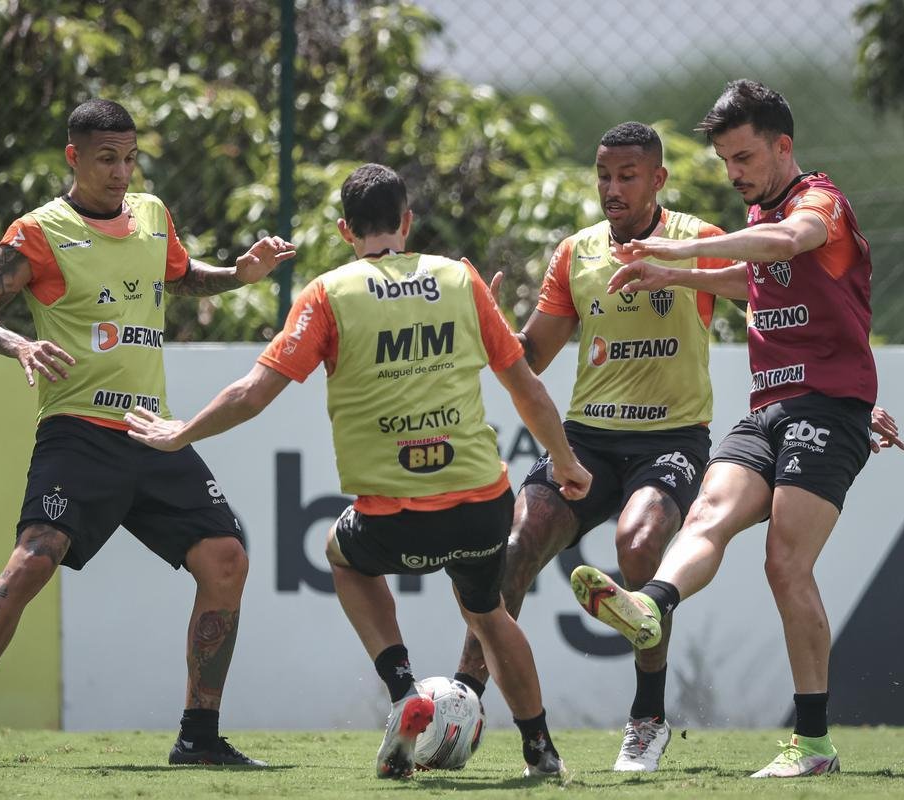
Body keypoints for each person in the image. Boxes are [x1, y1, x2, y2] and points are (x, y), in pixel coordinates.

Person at [125, 163, 592, 780]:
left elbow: (253, 393)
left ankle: (404, 691)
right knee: (487, 614)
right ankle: (541, 751)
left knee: (342, 554)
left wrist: (181, 431)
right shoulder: (459, 278)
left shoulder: (328, 294)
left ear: (347, 230)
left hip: (396, 517)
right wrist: (564, 460)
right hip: (482, 503)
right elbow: (526, 389)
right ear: (407, 221)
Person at [0, 99, 295, 768]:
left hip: (151, 433)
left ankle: (198, 736)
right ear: (74, 157)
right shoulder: (38, 232)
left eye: (129, 158)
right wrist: (19, 345)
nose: (121, 172)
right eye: (105, 159)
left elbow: (179, 279)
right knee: (34, 559)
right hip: (78, 433)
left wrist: (237, 276)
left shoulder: (151, 215)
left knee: (226, 558)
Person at [569, 80, 904, 778]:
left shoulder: (818, 203)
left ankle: (811, 744)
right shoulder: (764, 212)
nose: (733, 173)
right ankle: (649, 604)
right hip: (768, 409)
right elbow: (753, 282)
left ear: (782, 146)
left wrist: (683, 255)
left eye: (744, 157)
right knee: (706, 515)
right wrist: (669, 271)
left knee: (784, 564)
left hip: (826, 409)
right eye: (725, 160)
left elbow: (785, 243)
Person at [452, 121, 735, 773]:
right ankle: (464, 700)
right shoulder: (575, 254)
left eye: (626, 176)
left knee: (636, 546)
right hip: (586, 442)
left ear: (658, 179)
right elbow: (531, 357)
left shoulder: (699, 242)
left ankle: (646, 720)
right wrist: (486, 331)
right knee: (517, 544)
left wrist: (679, 269)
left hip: (669, 438)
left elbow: (762, 294)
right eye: (603, 175)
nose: (611, 188)